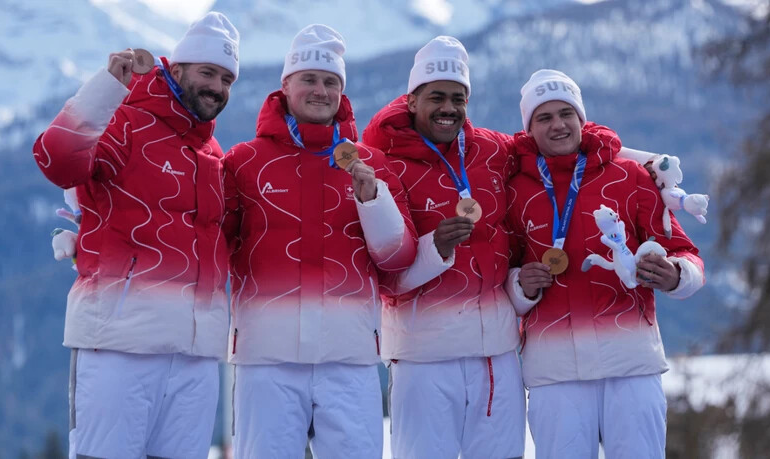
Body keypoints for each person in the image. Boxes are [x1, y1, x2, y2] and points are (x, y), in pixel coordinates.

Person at [31, 12, 240, 458]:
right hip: (119, 345)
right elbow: (56, 158)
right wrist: (108, 86)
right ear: (177, 69)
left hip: (196, 357)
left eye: (226, 78)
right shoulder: (125, 121)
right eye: (207, 72)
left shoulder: (214, 155)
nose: (217, 87)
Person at [222, 24, 417, 458]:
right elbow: (212, 244)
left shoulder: (372, 163)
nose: (320, 90)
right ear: (286, 86)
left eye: (331, 82)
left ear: (342, 92)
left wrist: (373, 201)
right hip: (264, 358)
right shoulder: (243, 162)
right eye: (309, 79)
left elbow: (399, 258)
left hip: (348, 358)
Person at [505, 69, 705, 458]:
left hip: (631, 365)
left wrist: (676, 274)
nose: (558, 124)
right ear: (529, 128)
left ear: (582, 119)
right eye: (544, 118)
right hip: (554, 373)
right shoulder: (516, 190)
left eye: (566, 113)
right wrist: (520, 284)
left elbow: (685, 252)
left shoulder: (628, 177)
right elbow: (502, 280)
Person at [362, 36, 527, 459]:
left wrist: (650, 162)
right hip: (423, 357)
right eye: (436, 97)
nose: (448, 108)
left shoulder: (492, 149)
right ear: (412, 100)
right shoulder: (382, 159)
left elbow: (559, 143)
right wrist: (434, 247)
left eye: (458, 98)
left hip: (498, 355)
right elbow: (388, 278)